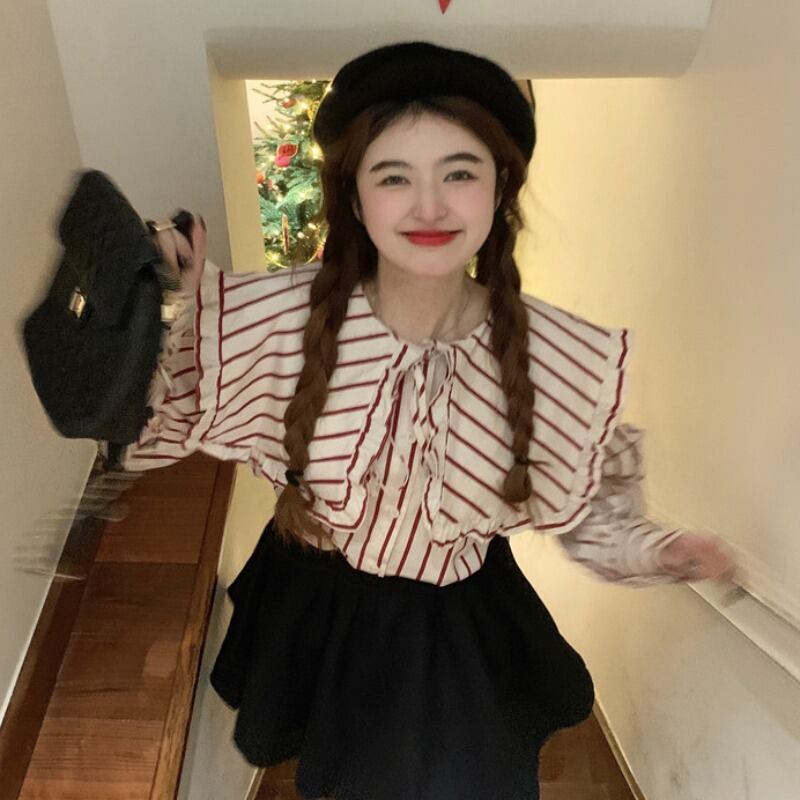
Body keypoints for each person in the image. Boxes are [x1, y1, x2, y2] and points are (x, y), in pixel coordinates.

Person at [127, 41, 738, 800]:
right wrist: (160, 313)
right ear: (356, 199)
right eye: (394, 176)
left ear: (499, 188)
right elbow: (150, 433)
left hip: (457, 623)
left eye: (459, 173)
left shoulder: (554, 356)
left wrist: (665, 551)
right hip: (321, 605)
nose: (428, 206)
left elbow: (590, 517)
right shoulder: (281, 319)